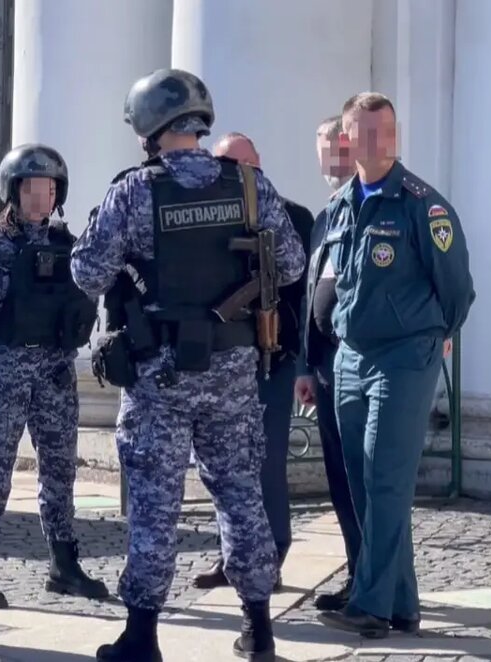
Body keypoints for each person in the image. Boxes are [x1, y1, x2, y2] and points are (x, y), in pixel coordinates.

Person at [71, 68, 305, 661]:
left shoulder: (134, 190)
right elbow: (295, 264)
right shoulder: (249, 184)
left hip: (161, 374)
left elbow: (88, 274)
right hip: (233, 369)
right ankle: (259, 629)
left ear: (149, 128)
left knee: (155, 501)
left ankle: (142, 638)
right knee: (240, 495)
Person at [317, 93, 474, 638]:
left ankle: (371, 604)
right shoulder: (341, 205)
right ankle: (403, 602)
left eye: (388, 131)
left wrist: (435, 337)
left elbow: (457, 290)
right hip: (352, 356)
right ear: (348, 140)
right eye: (366, 132)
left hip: (405, 357)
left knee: (386, 479)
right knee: (362, 481)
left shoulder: (421, 205)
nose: (380, 141)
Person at [0, 144, 107, 608]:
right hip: (4, 369)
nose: (41, 197)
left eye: (49, 188)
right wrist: (13, 280)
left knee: (60, 470)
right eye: (32, 188)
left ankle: (63, 564)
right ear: (13, 191)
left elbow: (87, 293)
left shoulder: (66, 241)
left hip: (55, 370)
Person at [191, 132, 315, 592]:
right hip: (221, 361)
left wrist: (303, 364)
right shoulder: (207, 218)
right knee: (222, 464)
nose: (236, 173)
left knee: (266, 462)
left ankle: (273, 554)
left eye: (244, 164)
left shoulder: (293, 217)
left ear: (259, 164)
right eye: (226, 164)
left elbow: (303, 297)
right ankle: (232, 556)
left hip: (271, 360)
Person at [295, 115, 362, 611]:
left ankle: (375, 581)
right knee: (340, 478)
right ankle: (359, 571)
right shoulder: (326, 214)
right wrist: (305, 364)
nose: (328, 158)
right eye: (322, 148)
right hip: (324, 367)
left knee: (364, 479)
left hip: (359, 365)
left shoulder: (371, 206)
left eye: (335, 146)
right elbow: (310, 293)